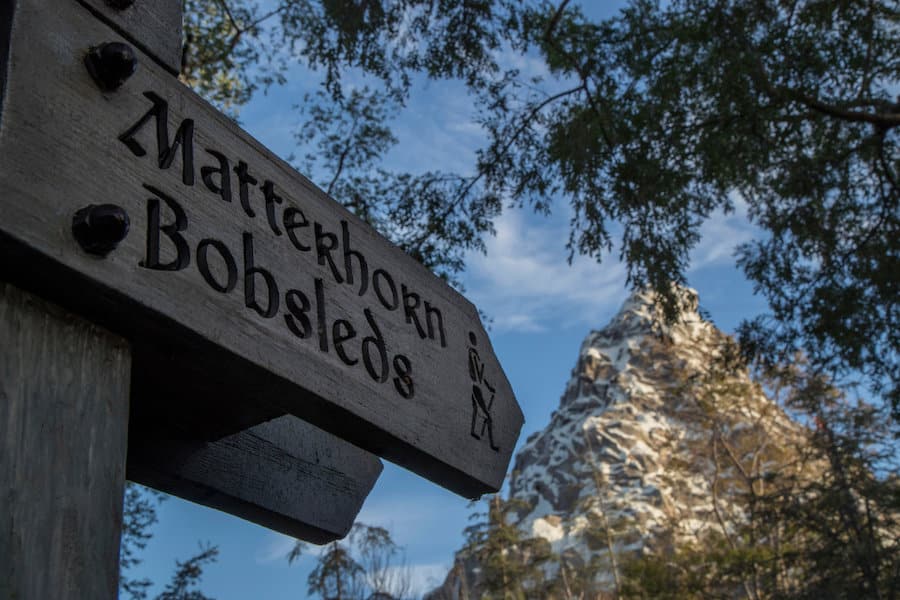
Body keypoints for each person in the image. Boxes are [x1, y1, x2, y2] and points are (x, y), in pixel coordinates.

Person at [467, 332, 499, 451]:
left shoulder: (476, 356)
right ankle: (490, 442)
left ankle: (476, 432)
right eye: (473, 339)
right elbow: (475, 373)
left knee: (476, 409)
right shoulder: (472, 354)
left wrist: (488, 386)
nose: (475, 342)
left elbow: (481, 375)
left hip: (477, 386)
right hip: (475, 386)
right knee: (486, 415)